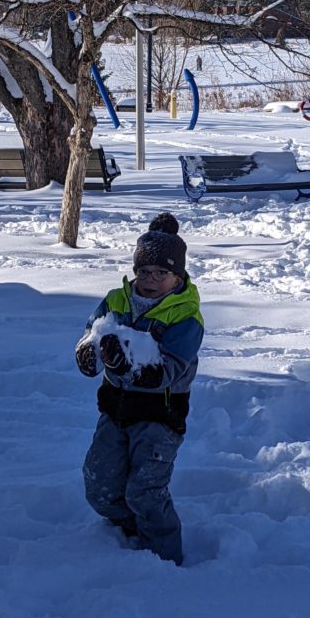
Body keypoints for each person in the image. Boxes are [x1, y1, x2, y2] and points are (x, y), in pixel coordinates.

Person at [76, 212, 204, 565]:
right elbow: (93, 334)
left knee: (145, 492)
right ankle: (130, 530)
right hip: (114, 411)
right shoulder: (116, 300)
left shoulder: (185, 316)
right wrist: (88, 353)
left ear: (177, 276)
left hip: (159, 417)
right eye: (144, 271)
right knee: (100, 487)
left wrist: (126, 365)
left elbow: (168, 370)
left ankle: (164, 560)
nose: (150, 280)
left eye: (161, 273)